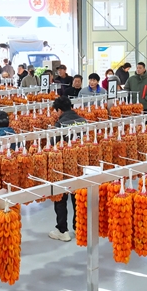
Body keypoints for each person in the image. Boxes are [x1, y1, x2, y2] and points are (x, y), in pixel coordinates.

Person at [49, 96, 88, 242]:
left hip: (64, 167)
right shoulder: (83, 121)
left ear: (59, 110)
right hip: (81, 165)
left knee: (60, 197)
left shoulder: (60, 124)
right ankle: (78, 227)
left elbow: (53, 144)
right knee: (77, 197)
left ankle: (62, 230)